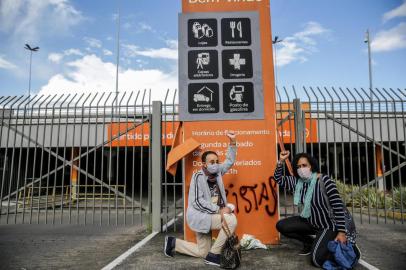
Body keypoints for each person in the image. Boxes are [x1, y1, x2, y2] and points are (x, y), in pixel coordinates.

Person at [274, 150, 360, 268]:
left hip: (328, 225)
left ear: (312, 166)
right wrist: (281, 161)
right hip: (311, 222)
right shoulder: (298, 182)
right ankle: (310, 242)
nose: (301, 169)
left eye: (304, 165)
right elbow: (278, 179)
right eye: (298, 166)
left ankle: (350, 249)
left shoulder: (324, 181)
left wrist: (341, 232)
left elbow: (338, 207)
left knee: (316, 260)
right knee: (281, 225)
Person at [164, 131, 238, 267]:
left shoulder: (218, 172)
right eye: (211, 162)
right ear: (204, 164)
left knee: (203, 252)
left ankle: (173, 243)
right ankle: (214, 256)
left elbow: (230, 161)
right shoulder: (197, 177)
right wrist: (220, 210)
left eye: (217, 161)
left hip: (210, 215)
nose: (215, 164)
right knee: (231, 219)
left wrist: (232, 142)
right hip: (200, 216)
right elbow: (197, 202)